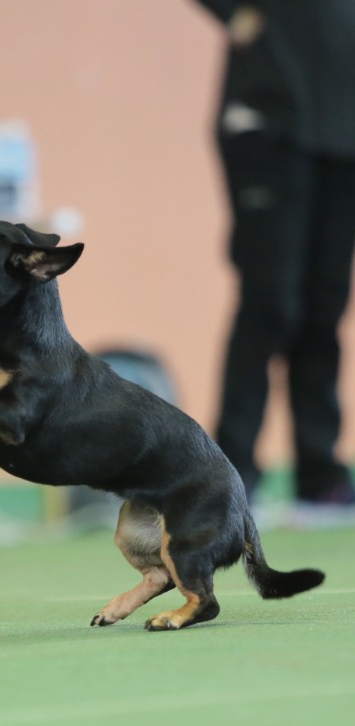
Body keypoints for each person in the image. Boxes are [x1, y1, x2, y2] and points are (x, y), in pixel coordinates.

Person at [193, 1, 355, 523]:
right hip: (268, 120)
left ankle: (321, 479)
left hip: (343, 132)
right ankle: (232, 475)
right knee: (269, 305)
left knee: (324, 307)